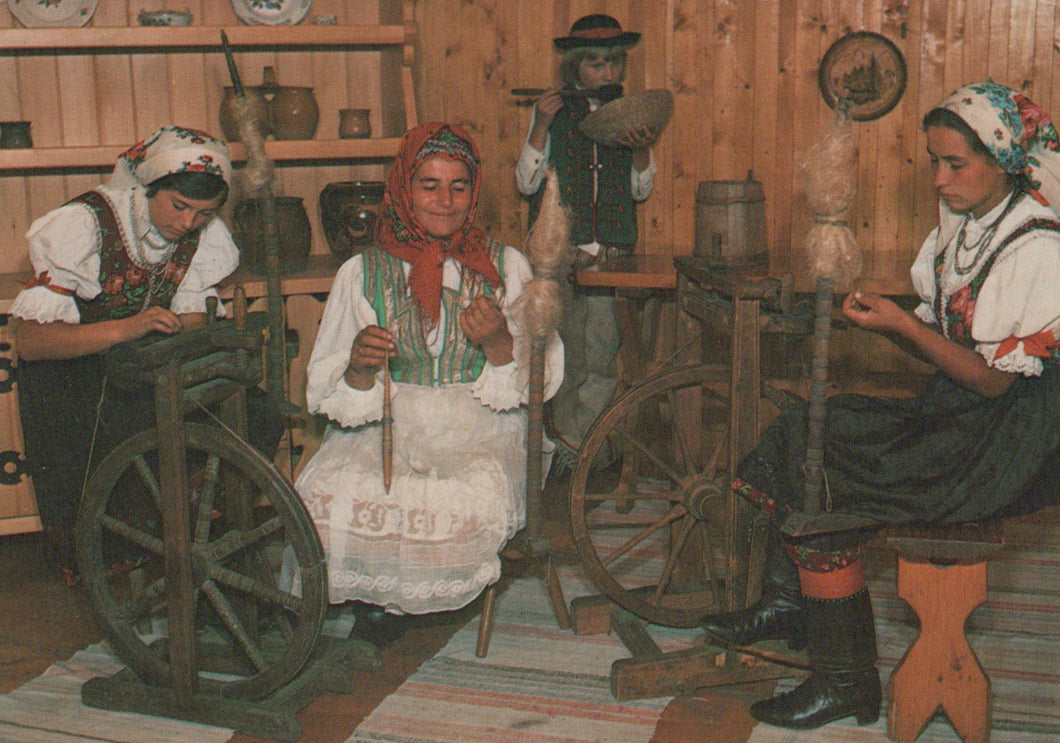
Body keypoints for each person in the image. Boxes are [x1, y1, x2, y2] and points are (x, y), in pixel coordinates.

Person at [699, 80, 1060, 730]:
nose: (939, 179)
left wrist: (902, 326)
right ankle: (790, 605)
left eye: (955, 163)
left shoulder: (1037, 248)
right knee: (806, 424)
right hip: (953, 418)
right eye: (933, 161)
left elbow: (993, 382)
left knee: (825, 460)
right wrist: (885, 319)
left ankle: (846, 682)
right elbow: (953, 348)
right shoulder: (970, 224)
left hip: (994, 447)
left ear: (1003, 161)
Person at [293, 122, 563, 639]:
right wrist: (359, 364)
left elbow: (542, 378)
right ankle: (377, 596)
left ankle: (413, 597)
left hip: (482, 422)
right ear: (403, 190)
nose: (445, 200)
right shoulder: (362, 270)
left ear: (474, 191)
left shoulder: (506, 266)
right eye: (429, 186)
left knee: (460, 497)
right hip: (389, 415)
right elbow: (328, 385)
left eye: (458, 186)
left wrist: (499, 346)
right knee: (331, 490)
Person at [12, 124, 281, 581]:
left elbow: (192, 309)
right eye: (179, 206)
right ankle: (133, 544)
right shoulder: (85, 224)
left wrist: (184, 324)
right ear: (148, 185)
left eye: (204, 213)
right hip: (71, 375)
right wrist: (128, 327)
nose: (188, 223)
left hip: (137, 364)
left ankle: (189, 521)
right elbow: (31, 343)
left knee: (258, 411)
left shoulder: (200, 234)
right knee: (128, 431)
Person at [515, 14, 659, 473]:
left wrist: (641, 149)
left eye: (613, 64)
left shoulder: (630, 118)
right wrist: (541, 123)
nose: (606, 74)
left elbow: (640, 190)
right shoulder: (553, 116)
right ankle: (560, 448)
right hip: (561, 258)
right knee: (562, 356)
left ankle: (585, 454)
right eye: (595, 64)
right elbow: (525, 182)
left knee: (601, 355)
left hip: (610, 257)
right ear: (575, 67)